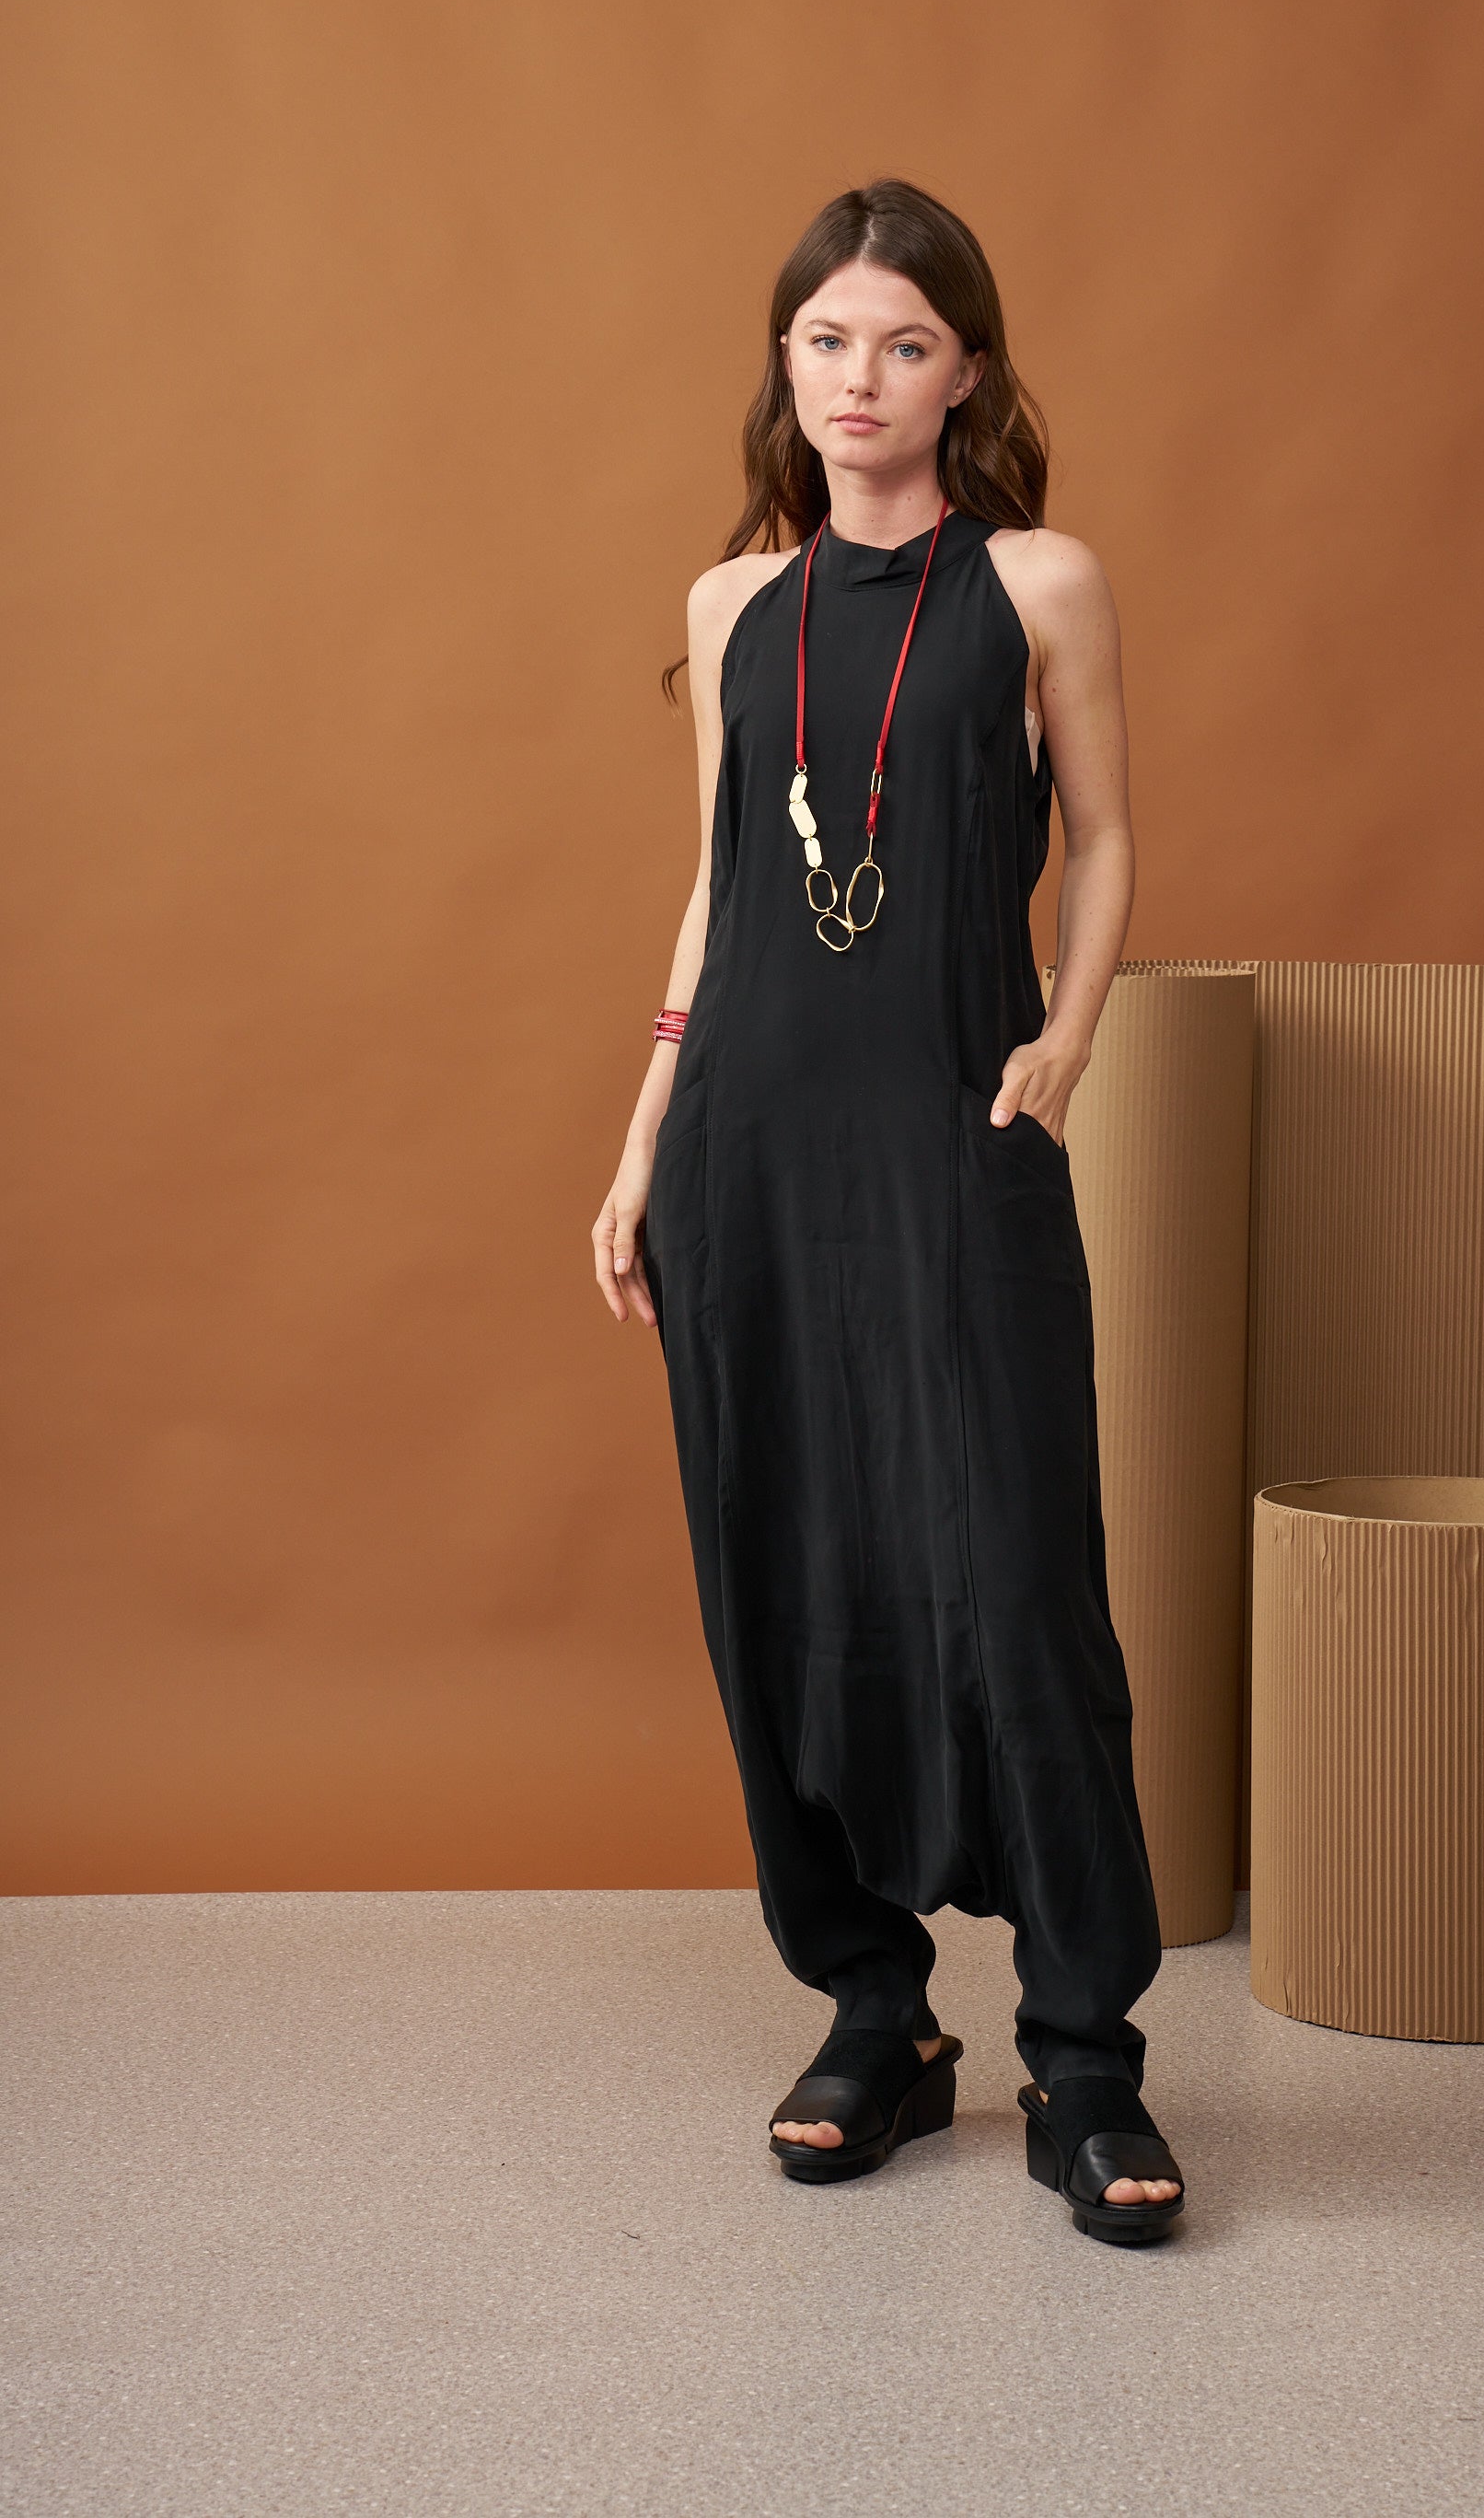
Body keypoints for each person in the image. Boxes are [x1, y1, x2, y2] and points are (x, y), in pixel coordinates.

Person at [593, 178, 1185, 2245]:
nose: (861, 378)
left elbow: (1103, 840)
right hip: (748, 1150)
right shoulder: (729, 608)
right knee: (783, 1574)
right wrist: (645, 1139)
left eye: (905, 344)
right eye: (828, 340)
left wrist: (1069, 1039)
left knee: (1016, 1581)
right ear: (788, 362)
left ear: (967, 373)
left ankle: (1085, 2058)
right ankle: (876, 2013)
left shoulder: (1036, 583)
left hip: (952, 1134)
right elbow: (721, 889)